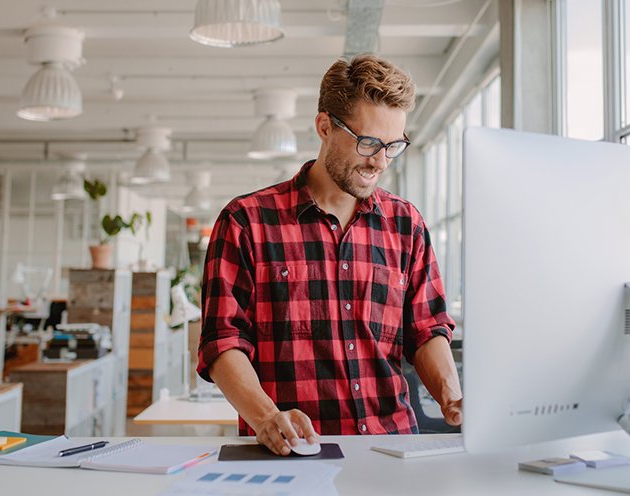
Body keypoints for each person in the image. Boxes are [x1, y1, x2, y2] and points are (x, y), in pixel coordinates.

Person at [197, 54, 462, 456]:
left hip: (392, 450)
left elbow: (426, 329)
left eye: (394, 146)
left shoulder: (406, 224)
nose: (380, 161)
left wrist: (452, 398)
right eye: (368, 142)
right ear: (324, 127)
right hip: (293, 453)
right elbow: (223, 342)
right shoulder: (246, 222)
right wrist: (267, 417)